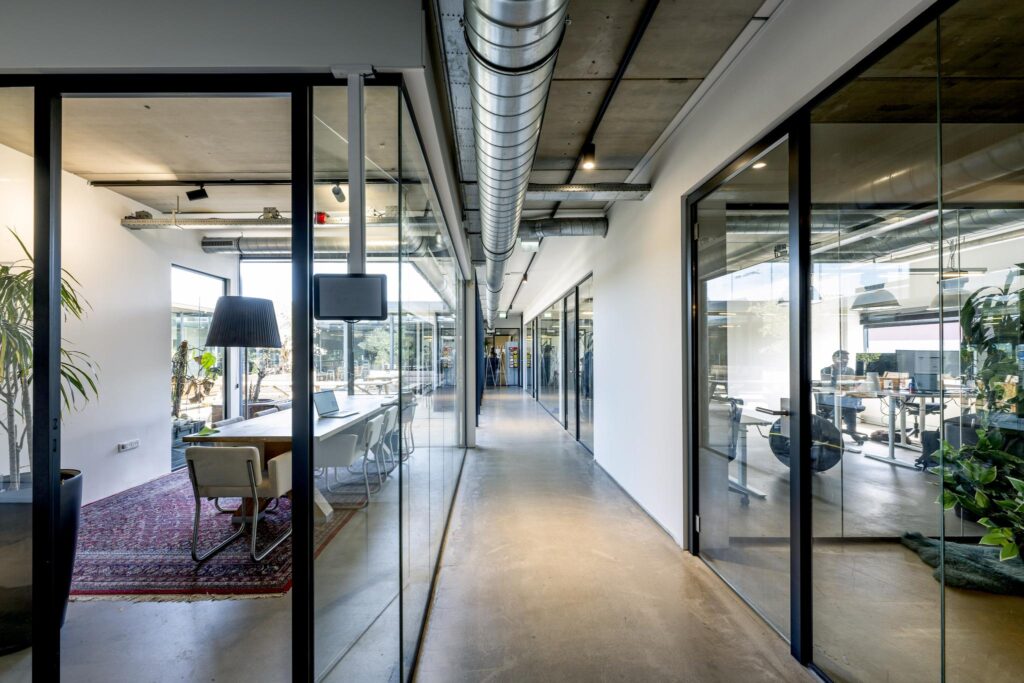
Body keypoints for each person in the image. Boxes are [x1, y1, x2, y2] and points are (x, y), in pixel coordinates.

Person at [818, 349, 865, 444]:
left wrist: (858, 384)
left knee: (848, 405)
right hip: (830, 398)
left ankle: (841, 431)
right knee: (848, 406)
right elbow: (828, 387)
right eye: (843, 359)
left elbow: (853, 385)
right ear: (834, 359)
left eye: (847, 359)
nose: (846, 361)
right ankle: (849, 432)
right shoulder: (826, 370)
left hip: (846, 398)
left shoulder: (851, 370)